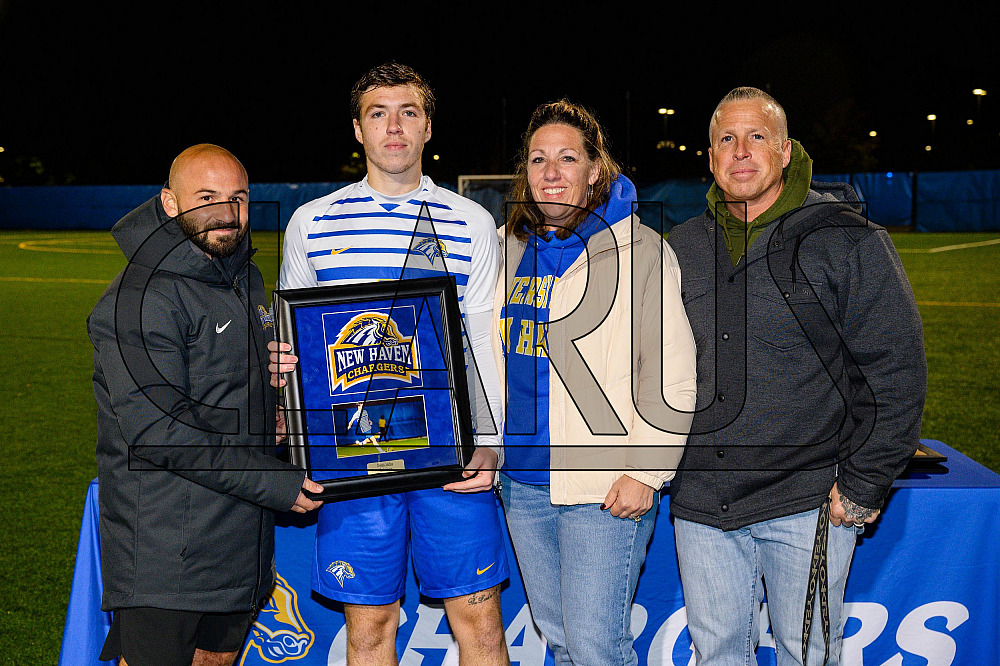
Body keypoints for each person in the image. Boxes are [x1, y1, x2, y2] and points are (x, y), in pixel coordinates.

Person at [667, 87, 927, 664]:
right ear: (709, 157)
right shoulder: (679, 247)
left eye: (756, 137)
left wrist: (863, 485)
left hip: (809, 503)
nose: (740, 152)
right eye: (726, 140)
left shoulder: (845, 239)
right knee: (717, 656)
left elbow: (897, 371)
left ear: (785, 151)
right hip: (705, 506)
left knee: (809, 656)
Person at [269, 62, 510, 665]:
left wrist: (490, 440)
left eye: (409, 113)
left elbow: (482, 340)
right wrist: (297, 433)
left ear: (429, 128)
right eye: (378, 114)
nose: (394, 127)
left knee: (478, 620)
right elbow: (291, 344)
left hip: (447, 452)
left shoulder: (472, 222)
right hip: (350, 456)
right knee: (371, 621)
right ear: (357, 129)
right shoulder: (313, 222)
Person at [88, 144, 324, 666]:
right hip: (166, 556)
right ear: (170, 203)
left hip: (238, 546)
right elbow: (163, 433)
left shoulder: (245, 279)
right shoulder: (140, 299)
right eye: (207, 197)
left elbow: (224, 397)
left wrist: (277, 413)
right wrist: (277, 482)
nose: (227, 212)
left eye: (239, 197)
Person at [491, 99, 697, 665]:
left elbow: (674, 376)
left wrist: (647, 471)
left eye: (566, 158)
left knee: (596, 647)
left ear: (595, 170)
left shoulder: (642, 253)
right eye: (537, 159)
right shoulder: (509, 251)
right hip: (523, 484)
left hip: (603, 487)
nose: (550, 172)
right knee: (560, 640)